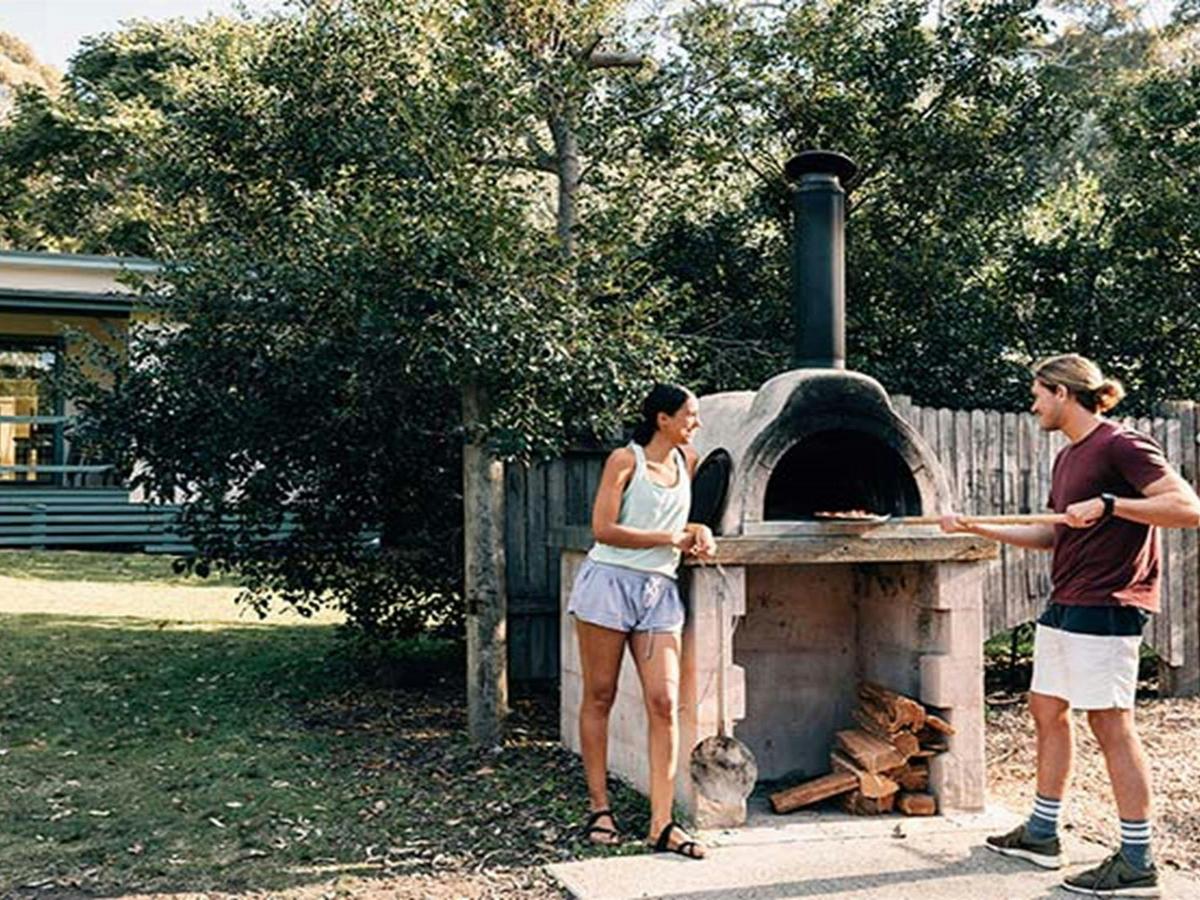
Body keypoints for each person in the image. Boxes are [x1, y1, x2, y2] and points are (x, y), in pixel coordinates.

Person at [940, 354, 1200, 898]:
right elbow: (1052, 534)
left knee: (1110, 724)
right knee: (1046, 708)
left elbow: (1187, 508)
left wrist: (1110, 505)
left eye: (1037, 392)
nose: (1033, 403)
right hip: (1069, 601)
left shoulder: (1120, 444)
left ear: (1062, 393)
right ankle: (1041, 833)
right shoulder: (1068, 459)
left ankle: (1137, 861)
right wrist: (975, 526)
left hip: (1109, 602)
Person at [568, 382, 717, 859]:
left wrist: (700, 532)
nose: (696, 423)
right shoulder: (624, 460)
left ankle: (662, 823)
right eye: (689, 415)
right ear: (663, 419)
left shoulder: (688, 463)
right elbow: (604, 529)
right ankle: (599, 809)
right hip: (609, 583)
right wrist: (669, 538)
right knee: (600, 695)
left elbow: (686, 522)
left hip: (659, 592)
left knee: (663, 700)